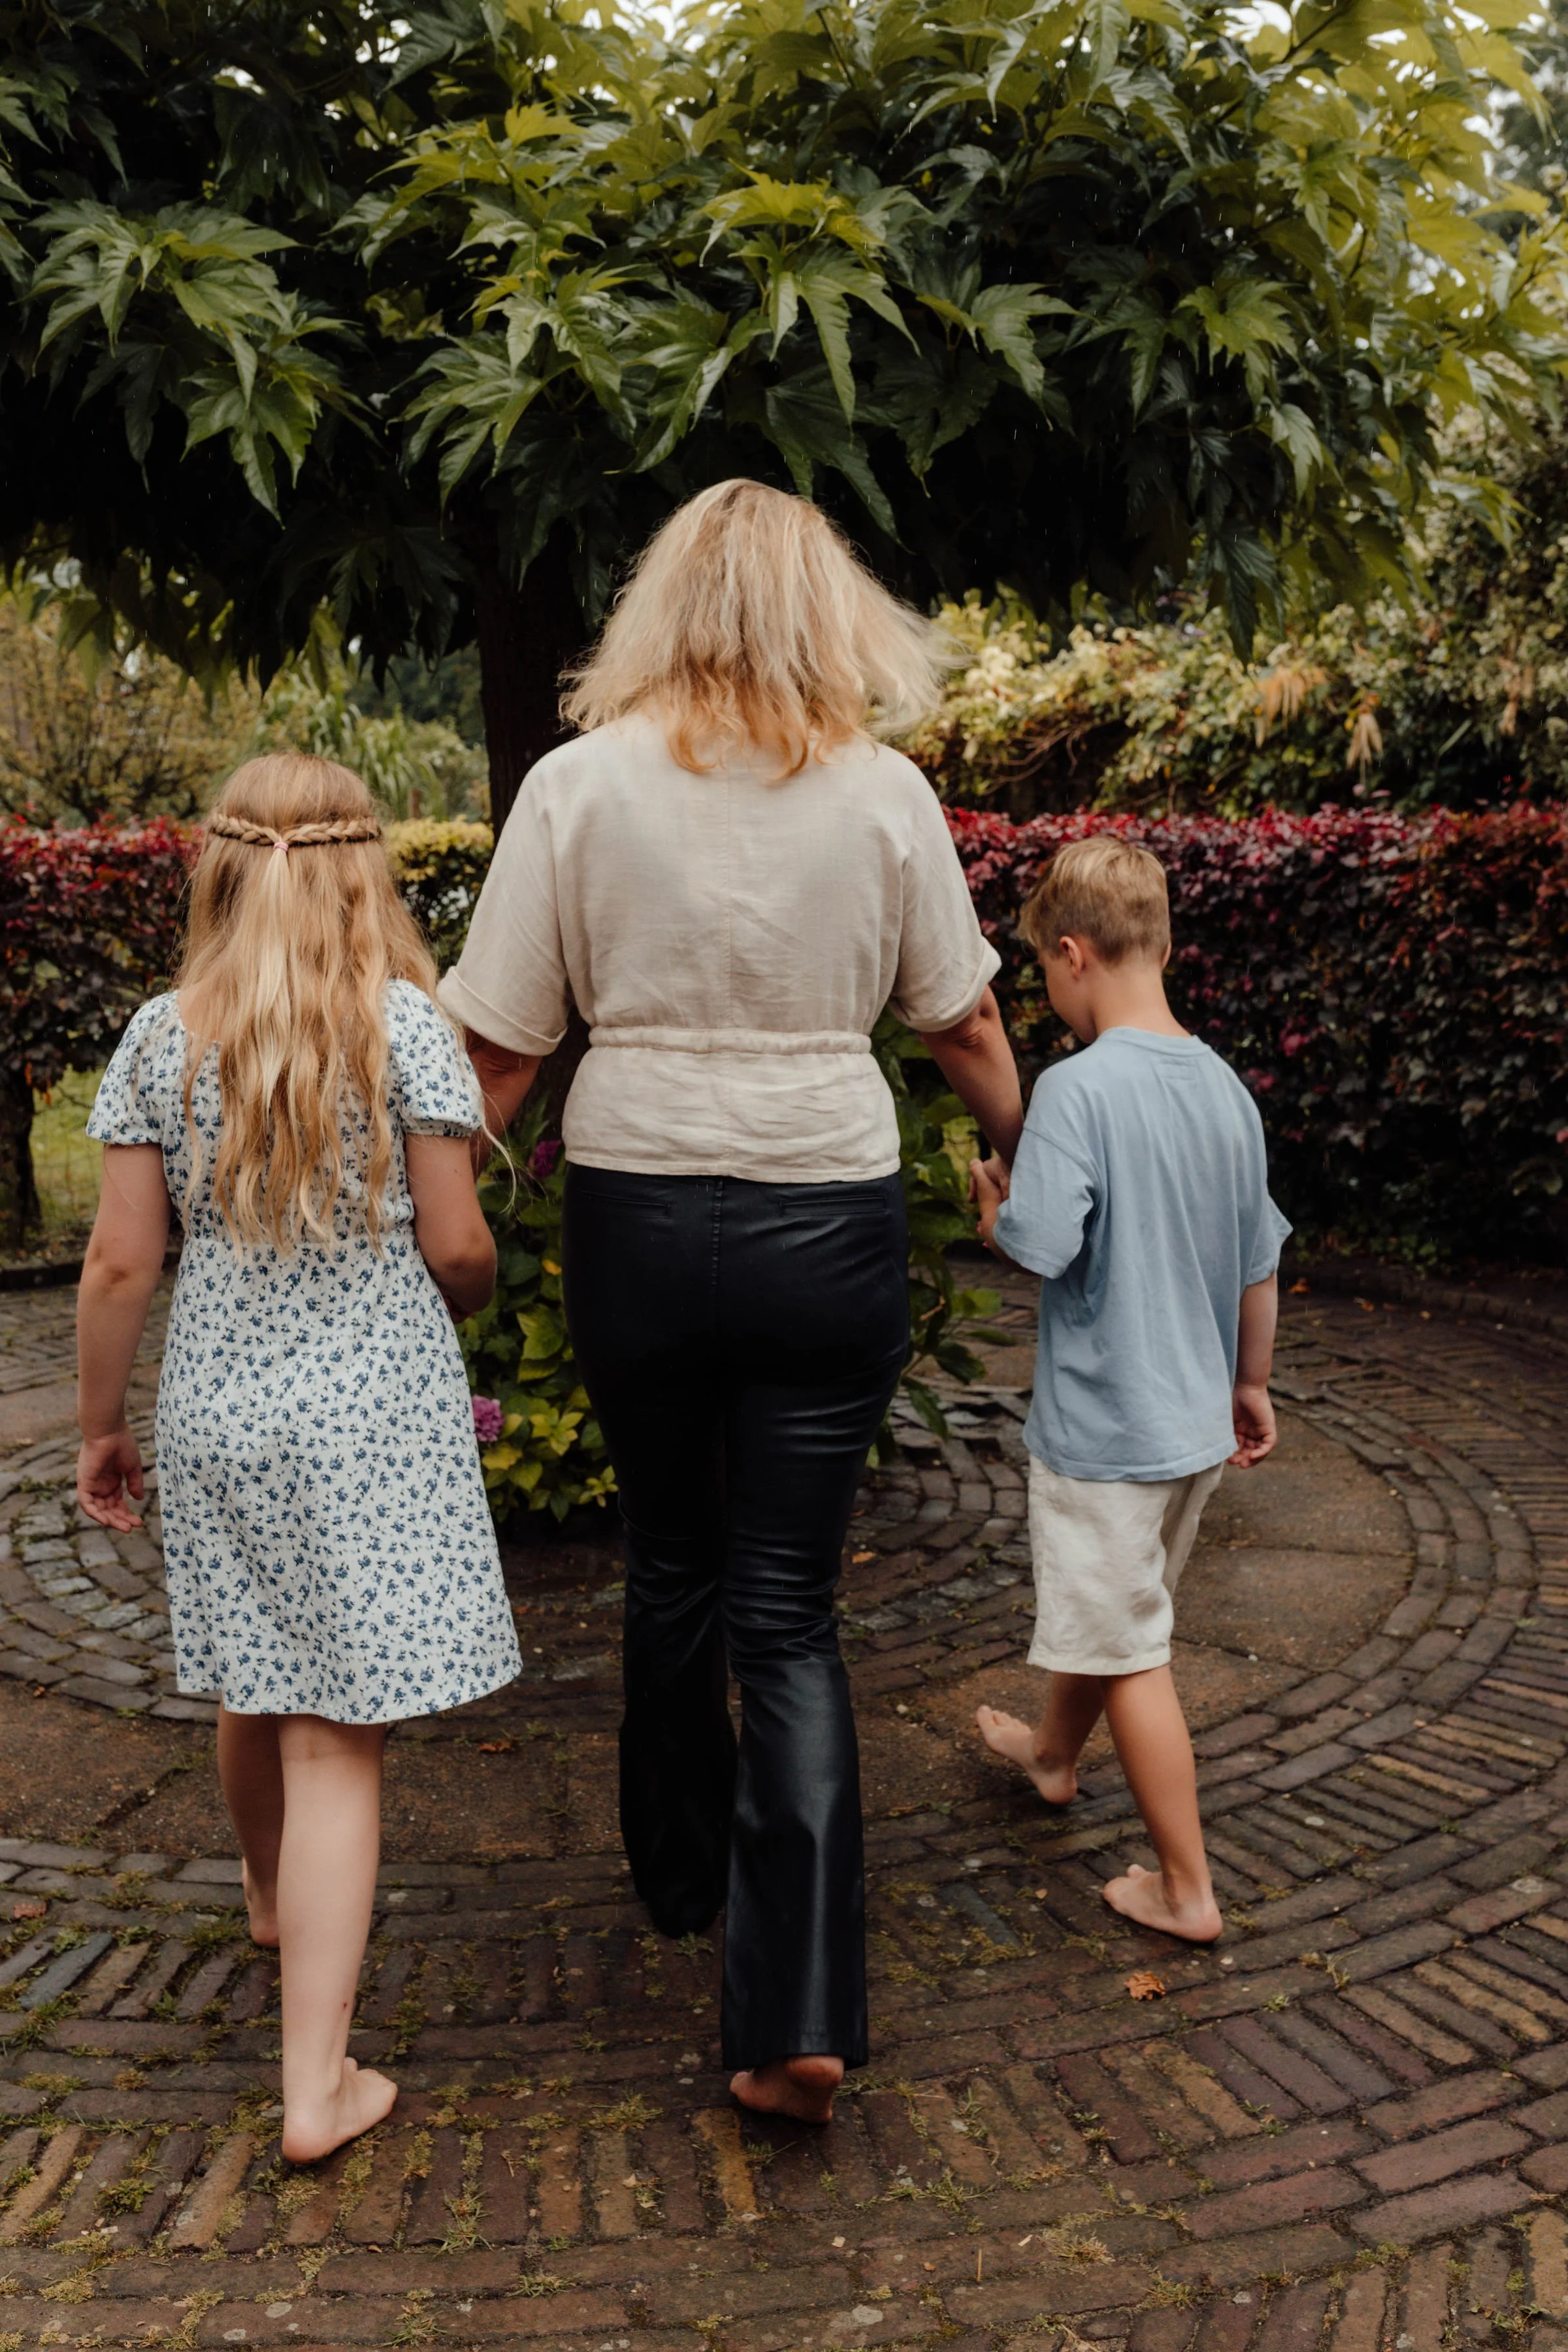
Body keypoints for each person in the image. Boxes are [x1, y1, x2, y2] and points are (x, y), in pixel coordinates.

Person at [439, 480, 1023, 2122]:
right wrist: (1041, 1164)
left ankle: (682, 1880)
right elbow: (965, 1032)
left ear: (660, 606)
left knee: (671, 1562)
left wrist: (431, 1211)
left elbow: (497, 1053)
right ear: (829, 610)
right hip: (825, 1213)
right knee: (792, 1610)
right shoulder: (887, 795)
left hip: (635, 1208)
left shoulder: (574, 786)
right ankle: (794, 2018)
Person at [76, 754, 521, 2163]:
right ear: (359, 872)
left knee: (254, 1668)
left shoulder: (163, 1034)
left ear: (219, 870)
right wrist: (473, 1287)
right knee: (341, 1737)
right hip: (367, 1415)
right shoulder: (406, 1027)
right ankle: (318, 2086)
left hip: (216, 1403)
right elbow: (455, 1245)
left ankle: (269, 1896)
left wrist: (101, 1425)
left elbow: (118, 1263)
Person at [970, 835, 1288, 1944]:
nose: (1050, 999)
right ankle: (1054, 1759)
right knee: (1119, 1611)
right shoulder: (1224, 1088)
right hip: (1194, 1425)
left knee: (1133, 1648)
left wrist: (993, 1210)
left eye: (1045, 978)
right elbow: (1260, 1260)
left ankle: (1185, 1888)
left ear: (1072, 955)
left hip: (1106, 1436)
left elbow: (1045, 1245)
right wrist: (1251, 1383)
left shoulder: (1075, 1087)